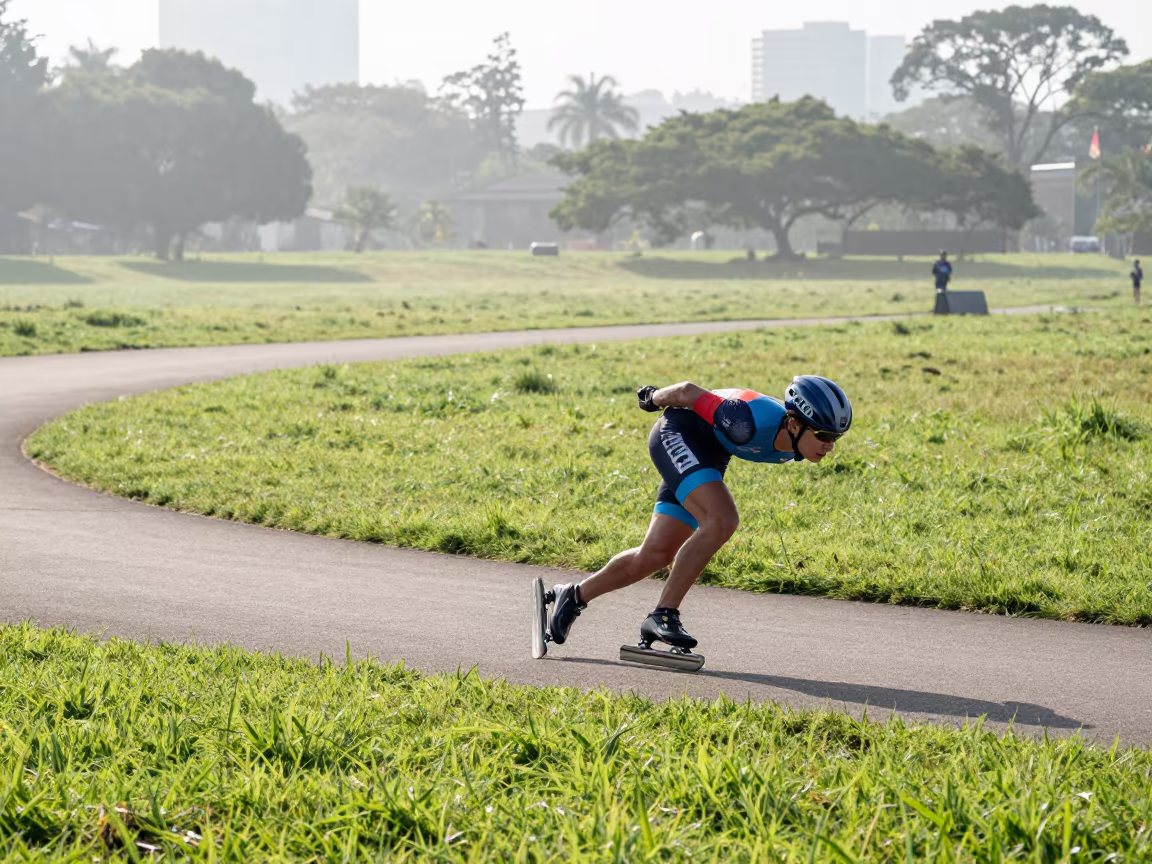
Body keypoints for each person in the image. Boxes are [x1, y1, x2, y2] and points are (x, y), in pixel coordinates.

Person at [544, 376, 853, 653]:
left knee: (656, 554)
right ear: (795, 424)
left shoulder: (794, 440)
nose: (829, 446)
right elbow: (688, 392)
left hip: (710, 452)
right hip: (678, 432)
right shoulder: (747, 420)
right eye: (824, 435)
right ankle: (664, 614)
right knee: (722, 520)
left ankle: (572, 596)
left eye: (836, 438)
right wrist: (652, 398)